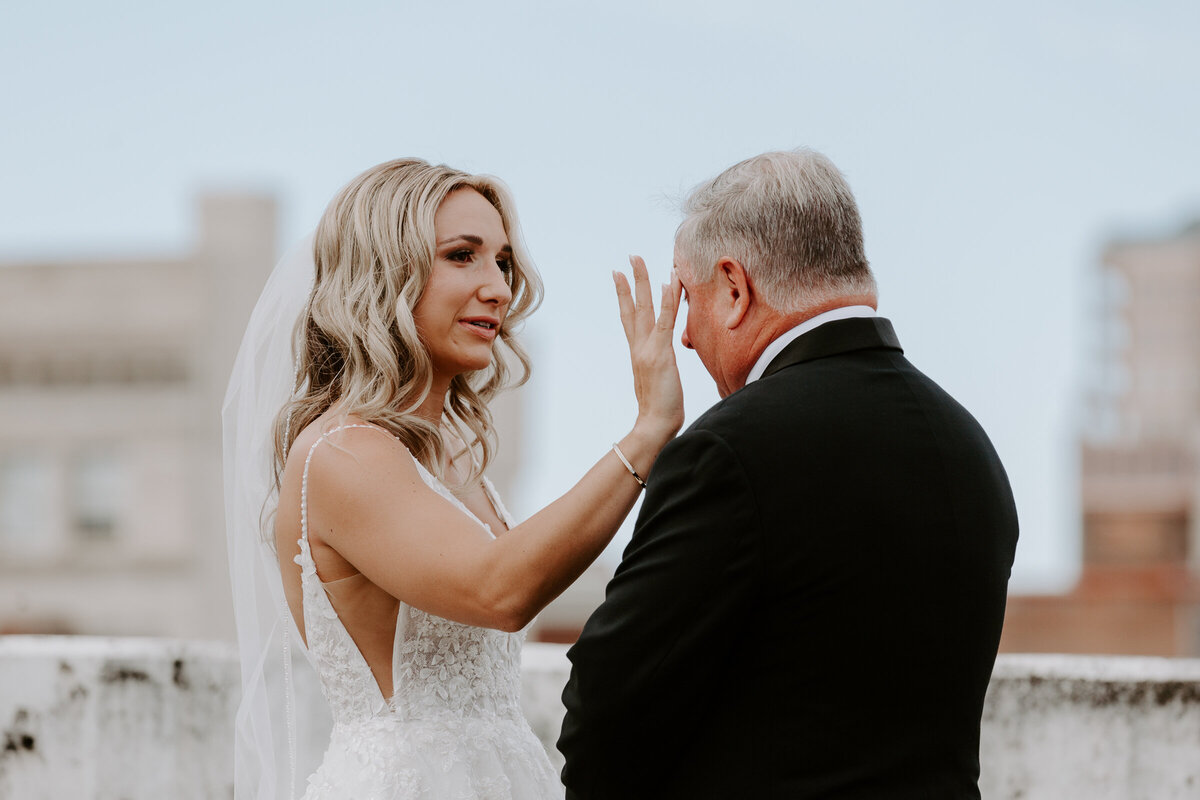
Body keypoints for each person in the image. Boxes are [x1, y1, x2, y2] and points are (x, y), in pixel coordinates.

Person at [558, 149, 1020, 799]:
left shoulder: (728, 453)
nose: (685, 337)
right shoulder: (969, 446)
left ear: (735, 288)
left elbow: (607, 707)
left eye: (688, 299)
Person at [223, 158, 683, 800]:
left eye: (502, 262)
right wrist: (648, 432)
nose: (497, 287)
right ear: (385, 272)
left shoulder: (454, 459)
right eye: (462, 256)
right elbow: (499, 589)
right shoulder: (342, 453)